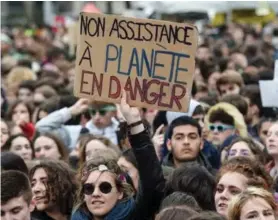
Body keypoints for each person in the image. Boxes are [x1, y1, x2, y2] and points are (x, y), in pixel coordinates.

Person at [36, 99, 119, 149]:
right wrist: (71, 111)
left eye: (102, 112)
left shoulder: (122, 132)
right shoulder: (77, 132)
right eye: (93, 112)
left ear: (113, 112)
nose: (97, 117)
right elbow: (41, 127)